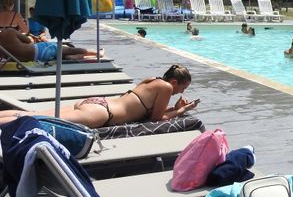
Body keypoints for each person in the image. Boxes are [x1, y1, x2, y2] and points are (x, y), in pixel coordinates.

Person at [0, 64, 200, 128]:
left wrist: (173, 108)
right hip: (102, 113)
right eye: (183, 88)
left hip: (99, 103)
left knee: (35, 114)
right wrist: (182, 110)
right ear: (174, 82)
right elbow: (156, 119)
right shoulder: (166, 88)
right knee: (37, 120)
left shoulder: (152, 80)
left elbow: (147, 111)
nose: (181, 92)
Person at [0, 29, 101, 63]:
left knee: (64, 55)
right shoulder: (9, 32)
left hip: (31, 61)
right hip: (39, 51)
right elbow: (28, 41)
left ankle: (71, 57)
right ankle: (97, 53)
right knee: (70, 49)